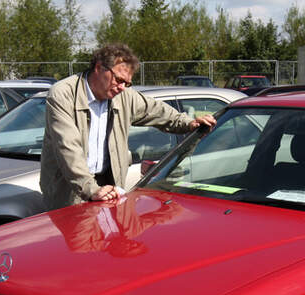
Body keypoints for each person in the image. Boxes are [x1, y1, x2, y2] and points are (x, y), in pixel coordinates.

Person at [40, 43, 216, 210]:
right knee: (76, 241)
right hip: (70, 191)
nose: (123, 88)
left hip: (108, 188)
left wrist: (188, 123)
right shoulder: (63, 94)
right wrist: (90, 189)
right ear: (99, 68)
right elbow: (68, 147)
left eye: (127, 83)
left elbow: (156, 111)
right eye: (119, 80)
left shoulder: (123, 96)